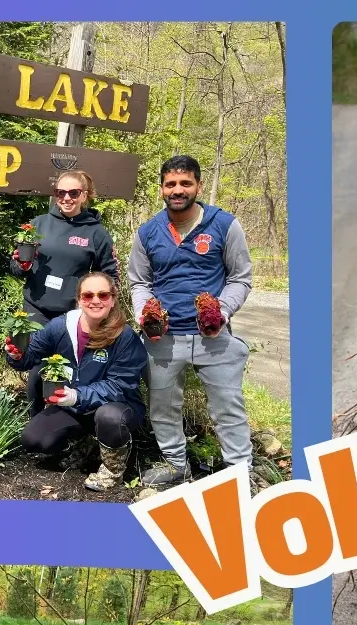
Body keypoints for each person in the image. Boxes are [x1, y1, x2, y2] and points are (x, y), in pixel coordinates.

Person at [128, 154, 255, 488]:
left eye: (185, 183)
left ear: (198, 185)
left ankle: (239, 475)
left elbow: (240, 278)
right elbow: (139, 281)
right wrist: (145, 314)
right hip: (163, 340)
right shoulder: (147, 232)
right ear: (161, 190)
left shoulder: (224, 225)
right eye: (170, 184)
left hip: (214, 338)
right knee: (163, 407)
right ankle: (176, 466)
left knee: (228, 408)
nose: (178, 190)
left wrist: (222, 311)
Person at [10, 271, 148, 492]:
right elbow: (29, 357)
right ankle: (89, 444)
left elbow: (119, 386)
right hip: (75, 407)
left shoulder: (125, 336)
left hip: (119, 406)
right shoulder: (60, 327)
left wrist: (76, 395)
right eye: (88, 295)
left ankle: (112, 470)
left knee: (108, 417)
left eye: (103, 295)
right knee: (34, 440)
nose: (95, 301)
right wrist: (16, 354)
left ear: (112, 300)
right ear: (79, 300)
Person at [12, 170, 119, 337]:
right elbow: (16, 267)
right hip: (35, 310)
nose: (66, 198)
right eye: (60, 192)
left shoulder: (97, 233)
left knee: (66, 362)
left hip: (74, 313)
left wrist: (101, 310)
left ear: (84, 195)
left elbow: (109, 276)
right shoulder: (37, 224)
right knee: (35, 361)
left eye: (73, 193)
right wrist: (21, 265)